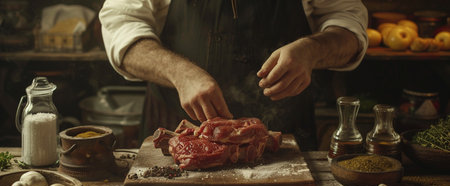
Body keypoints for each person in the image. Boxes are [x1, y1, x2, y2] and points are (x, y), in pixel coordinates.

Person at [99, 0, 368, 150]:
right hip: (179, 139)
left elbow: (348, 24)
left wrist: (312, 50)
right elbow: (121, 26)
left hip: (284, 143)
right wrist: (178, 72)